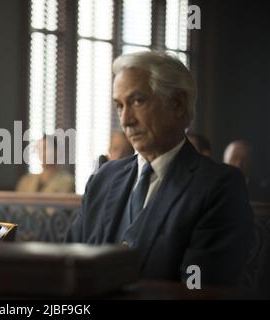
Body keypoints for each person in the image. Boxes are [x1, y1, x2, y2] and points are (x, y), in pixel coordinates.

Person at [66, 51, 254, 287]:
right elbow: (69, 263)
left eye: (137, 101)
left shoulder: (220, 187)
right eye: (119, 106)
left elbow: (198, 288)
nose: (125, 120)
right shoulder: (103, 179)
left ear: (177, 104)